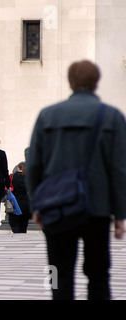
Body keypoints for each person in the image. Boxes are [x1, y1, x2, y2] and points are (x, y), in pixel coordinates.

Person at [26, 60, 126, 300]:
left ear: (70, 82)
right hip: (96, 208)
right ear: (96, 82)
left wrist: (36, 206)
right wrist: (120, 214)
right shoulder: (112, 117)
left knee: (59, 276)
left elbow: (34, 165)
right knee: (99, 275)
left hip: (56, 206)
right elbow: (119, 169)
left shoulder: (47, 116)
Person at [8, 162, 31, 233]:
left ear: (18, 168)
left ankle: (16, 231)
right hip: (25, 202)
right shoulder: (28, 177)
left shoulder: (13, 176)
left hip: (15, 202)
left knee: (15, 222)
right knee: (24, 223)